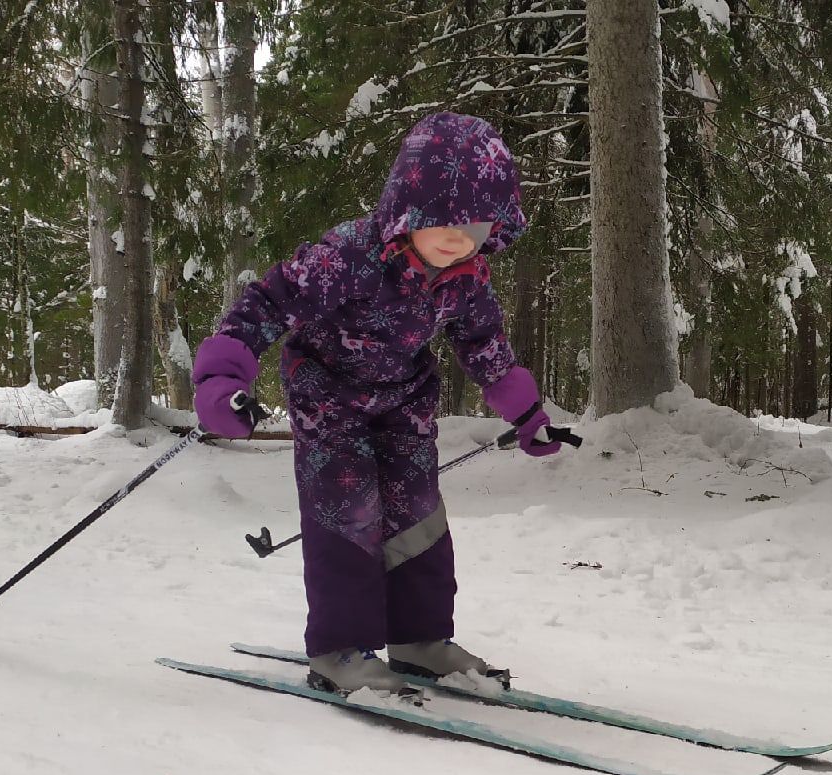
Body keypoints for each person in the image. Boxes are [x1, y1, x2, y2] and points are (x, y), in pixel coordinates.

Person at [189, 112, 568, 697]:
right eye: (440, 215)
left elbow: (485, 344)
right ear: (408, 204)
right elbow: (266, 304)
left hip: (405, 397)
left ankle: (418, 639)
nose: (457, 235)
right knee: (349, 509)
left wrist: (526, 416)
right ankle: (340, 649)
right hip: (328, 394)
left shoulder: (466, 277)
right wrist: (221, 377)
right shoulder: (348, 256)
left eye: (475, 222)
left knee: (418, 513)